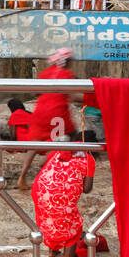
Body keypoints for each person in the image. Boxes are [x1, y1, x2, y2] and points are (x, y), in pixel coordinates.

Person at [30, 142, 96, 257]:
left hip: (41, 190)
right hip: (62, 198)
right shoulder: (89, 159)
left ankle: (53, 250)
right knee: (73, 229)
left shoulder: (60, 150)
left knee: (49, 220)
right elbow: (87, 188)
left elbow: (42, 163)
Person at [18, 47, 81, 189]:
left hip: (40, 112)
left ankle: (22, 176)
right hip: (57, 113)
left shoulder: (45, 73)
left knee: (34, 145)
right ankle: (47, 162)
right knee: (69, 136)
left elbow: (36, 92)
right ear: (67, 62)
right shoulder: (68, 75)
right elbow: (73, 96)